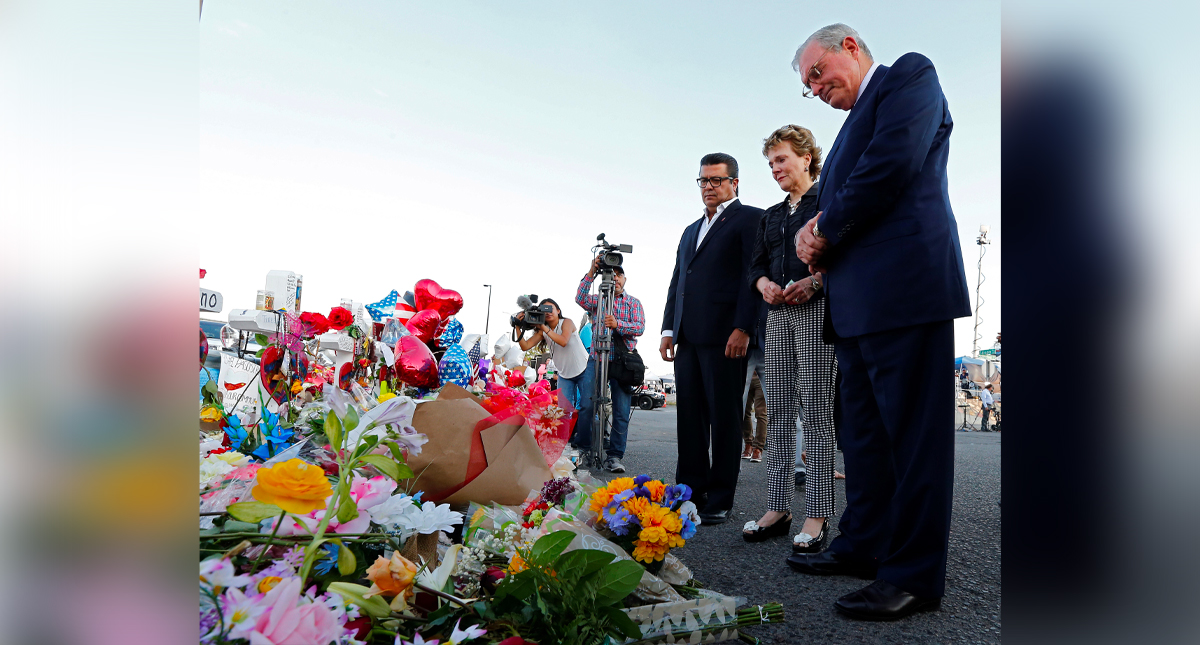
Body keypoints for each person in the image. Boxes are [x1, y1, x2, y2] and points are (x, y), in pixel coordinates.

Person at [788, 24, 971, 621]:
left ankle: (914, 575)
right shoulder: (845, 130)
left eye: (818, 73)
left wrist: (820, 230)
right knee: (863, 435)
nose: (815, 89)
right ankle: (864, 543)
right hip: (856, 301)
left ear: (850, 47)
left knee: (913, 439)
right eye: (807, 86)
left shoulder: (909, 77)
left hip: (904, 288)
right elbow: (844, 189)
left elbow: (891, 163)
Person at [743, 124, 839, 550]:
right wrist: (763, 284)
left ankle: (817, 516)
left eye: (781, 159)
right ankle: (777, 507)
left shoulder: (831, 199)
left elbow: (848, 253)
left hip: (818, 311)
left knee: (817, 415)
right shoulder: (772, 215)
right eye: (770, 163)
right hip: (777, 317)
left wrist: (816, 282)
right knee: (779, 413)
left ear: (805, 157)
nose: (775, 169)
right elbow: (755, 266)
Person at [661, 153, 763, 525]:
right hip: (688, 335)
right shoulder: (691, 229)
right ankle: (689, 490)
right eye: (703, 181)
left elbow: (752, 276)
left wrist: (744, 327)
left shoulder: (750, 218)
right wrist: (669, 328)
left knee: (724, 418)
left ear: (734, 183)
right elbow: (679, 280)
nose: (708, 187)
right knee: (688, 417)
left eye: (716, 180)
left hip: (727, 336)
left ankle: (720, 497)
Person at [574, 261, 646, 473]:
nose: (615, 278)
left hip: (623, 362)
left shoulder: (633, 302)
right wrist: (592, 271)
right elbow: (579, 298)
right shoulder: (598, 301)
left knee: (621, 411)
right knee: (587, 405)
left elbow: (640, 326)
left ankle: (614, 456)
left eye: (619, 275)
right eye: (610, 274)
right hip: (596, 357)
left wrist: (618, 325)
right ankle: (585, 450)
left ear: (624, 279)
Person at [514, 298, 589, 411]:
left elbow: (563, 341)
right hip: (564, 375)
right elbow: (525, 346)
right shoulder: (543, 331)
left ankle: (590, 429)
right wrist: (517, 327)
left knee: (587, 408)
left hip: (584, 370)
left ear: (558, 310)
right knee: (563, 410)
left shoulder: (567, 322)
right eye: (543, 310)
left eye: (550, 308)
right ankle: (568, 429)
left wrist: (543, 327)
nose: (547, 312)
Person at [741, 300, 768, 462]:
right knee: (742, 411)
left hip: (765, 356)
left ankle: (758, 448)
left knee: (761, 413)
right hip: (747, 358)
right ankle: (748, 444)